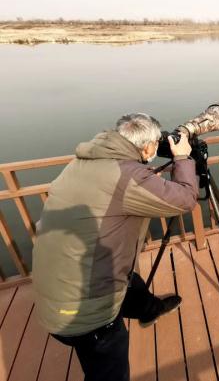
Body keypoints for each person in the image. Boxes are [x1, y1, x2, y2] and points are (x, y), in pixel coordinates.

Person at [32, 113, 199, 381]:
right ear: (145, 148)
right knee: (109, 373)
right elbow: (185, 200)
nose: (158, 148)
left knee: (132, 281)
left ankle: (149, 310)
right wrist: (182, 159)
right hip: (83, 314)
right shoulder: (127, 175)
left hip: (58, 282)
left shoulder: (84, 162)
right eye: (157, 143)